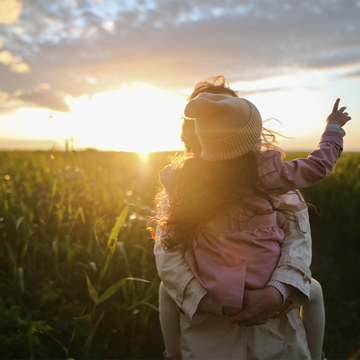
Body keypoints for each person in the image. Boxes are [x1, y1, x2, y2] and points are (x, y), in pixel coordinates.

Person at [152, 76, 351, 360]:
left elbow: (297, 240)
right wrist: (333, 130)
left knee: (165, 292)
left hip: (277, 331)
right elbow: (168, 256)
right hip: (208, 332)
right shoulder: (272, 175)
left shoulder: (185, 181)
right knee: (314, 290)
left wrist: (275, 293)